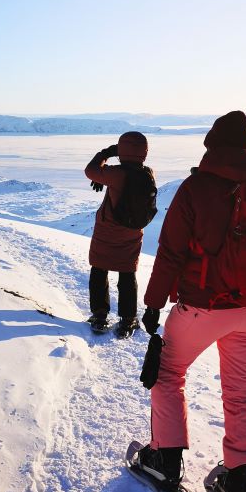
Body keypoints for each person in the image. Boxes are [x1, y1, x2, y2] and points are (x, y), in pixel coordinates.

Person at [137, 110, 246, 492]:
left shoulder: (196, 187)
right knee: (241, 390)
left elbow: (172, 250)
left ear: (211, 144)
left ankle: (165, 459)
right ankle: (239, 481)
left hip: (204, 306)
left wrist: (154, 303)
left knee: (168, 374)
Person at [85, 131, 153, 338]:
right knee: (127, 275)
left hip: (107, 232)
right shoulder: (148, 173)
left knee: (99, 271)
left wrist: (107, 153)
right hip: (132, 234)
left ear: (122, 150)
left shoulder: (115, 174)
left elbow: (91, 171)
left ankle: (99, 316)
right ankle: (128, 319)